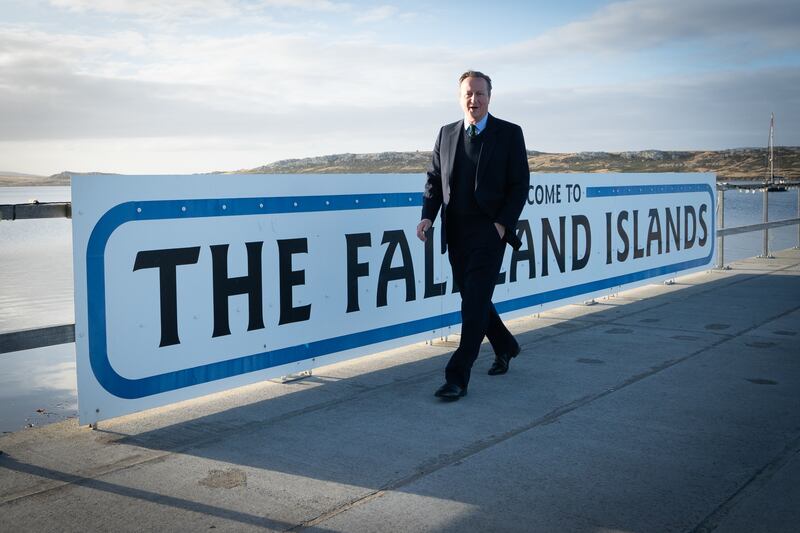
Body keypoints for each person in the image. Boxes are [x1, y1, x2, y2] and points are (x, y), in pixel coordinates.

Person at [416, 70, 530, 401]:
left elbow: (519, 184)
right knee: (474, 300)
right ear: (460, 96)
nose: (474, 99)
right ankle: (506, 345)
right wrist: (427, 216)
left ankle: (457, 376)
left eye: (480, 94)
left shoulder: (509, 134)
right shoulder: (446, 133)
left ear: (489, 97)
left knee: (474, 303)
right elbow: (435, 180)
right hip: (457, 233)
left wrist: (501, 224)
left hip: (489, 232)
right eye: (468, 93)